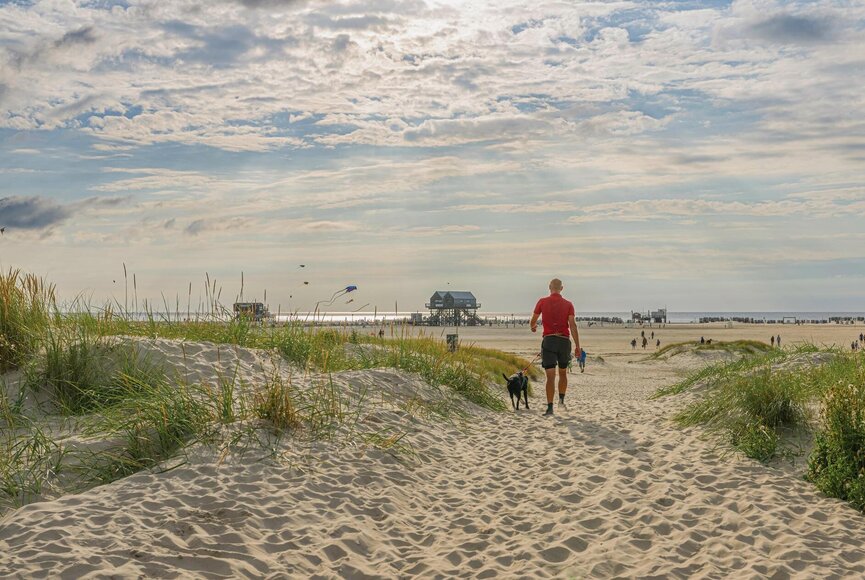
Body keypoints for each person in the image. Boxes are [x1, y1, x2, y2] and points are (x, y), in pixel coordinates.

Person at [530, 278, 581, 416]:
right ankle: (561, 401)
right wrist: (578, 346)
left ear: (549, 287)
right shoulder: (568, 304)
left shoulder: (542, 301)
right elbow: (573, 325)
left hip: (549, 341)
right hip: (564, 341)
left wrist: (533, 327)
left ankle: (550, 407)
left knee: (550, 376)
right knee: (563, 373)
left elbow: (533, 321)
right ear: (562, 288)